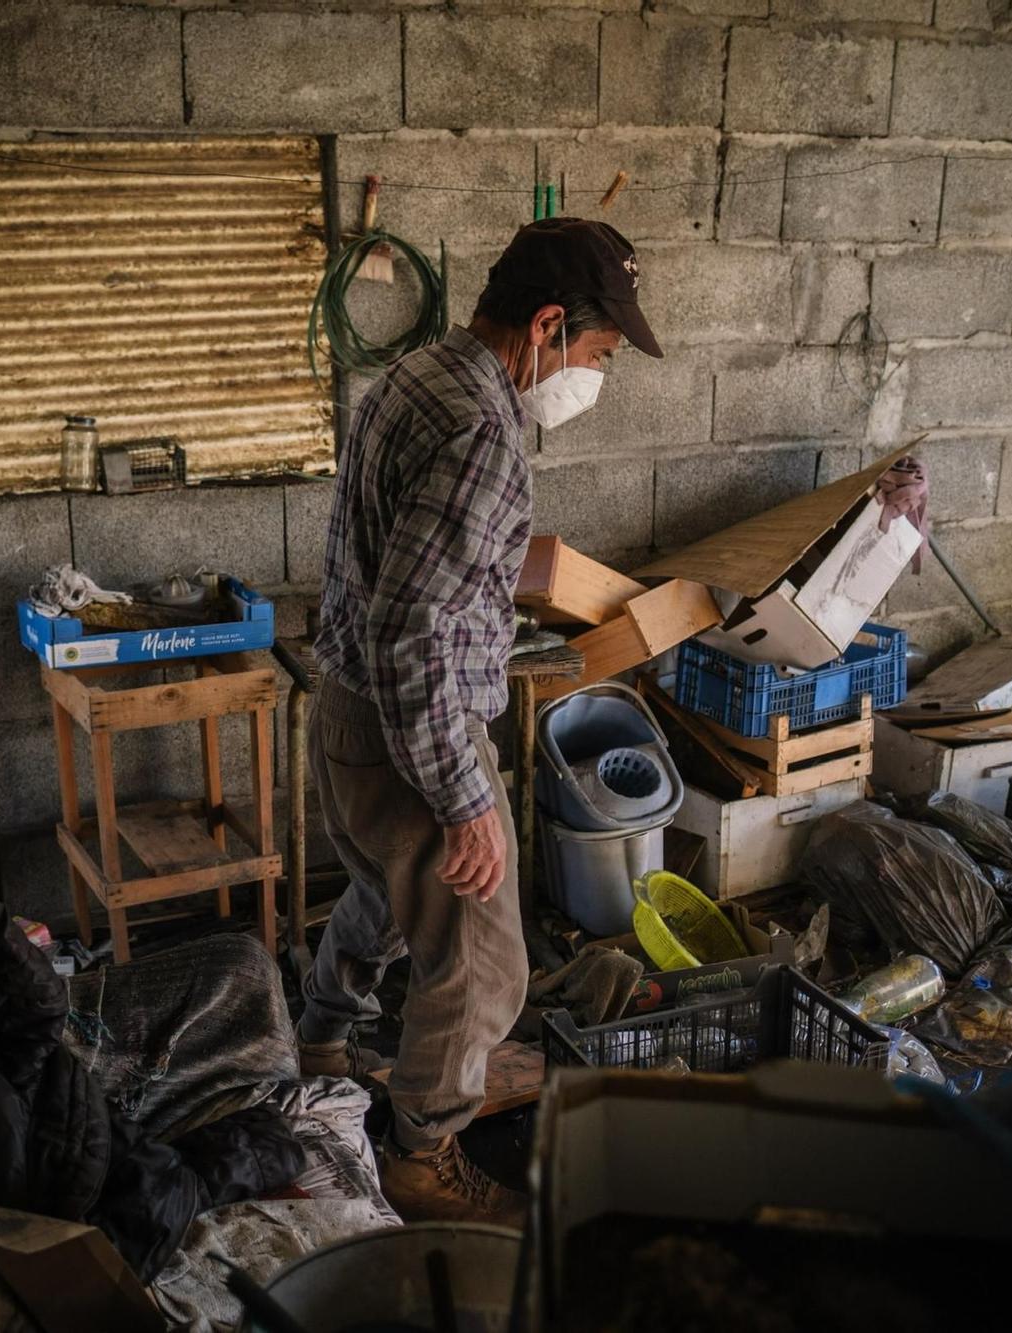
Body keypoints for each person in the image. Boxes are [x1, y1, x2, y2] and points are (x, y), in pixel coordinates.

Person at [297, 218, 663, 1225]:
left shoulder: (417, 378)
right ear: (546, 326)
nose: (594, 377)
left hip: (352, 714)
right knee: (485, 958)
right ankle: (423, 1150)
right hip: (413, 734)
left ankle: (322, 1039)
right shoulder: (481, 433)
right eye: (594, 354)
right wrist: (465, 803)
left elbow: (400, 578)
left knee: (384, 895)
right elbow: (413, 630)